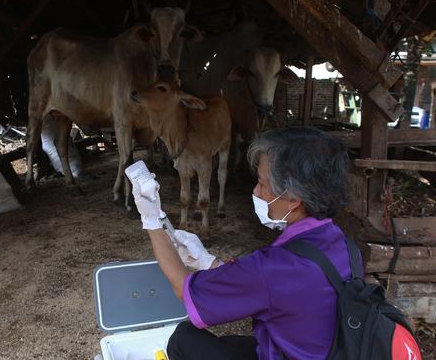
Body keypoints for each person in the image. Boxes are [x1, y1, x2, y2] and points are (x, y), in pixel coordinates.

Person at [132, 127, 353, 360]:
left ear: (293, 199)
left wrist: (152, 221)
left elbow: (184, 290)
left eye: (261, 183)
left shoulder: (277, 266)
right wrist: (209, 262)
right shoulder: (341, 244)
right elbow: (273, 289)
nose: (256, 191)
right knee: (232, 344)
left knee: (184, 338)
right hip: (320, 352)